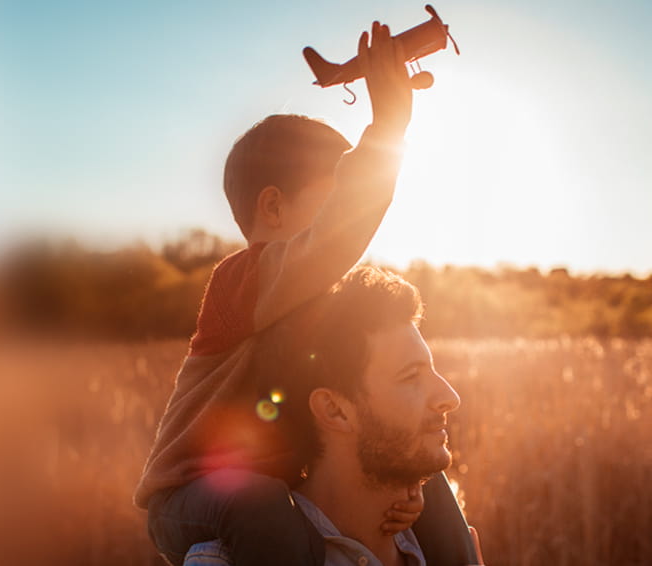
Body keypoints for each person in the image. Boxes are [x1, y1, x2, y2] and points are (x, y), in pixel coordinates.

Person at [135, 22, 471, 566]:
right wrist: (387, 128)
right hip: (191, 496)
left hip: (271, 483)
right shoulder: (241, 283)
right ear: (272, 208)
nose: (343, 223)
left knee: (424, 474)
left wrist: (402, 487)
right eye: (333, 194)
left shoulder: (317, 306)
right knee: (259, 504)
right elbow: (332, 242)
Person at [264, 266, 481, 566]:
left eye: (432, 371)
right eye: (410, 377)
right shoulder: (227, 560)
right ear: (335, 410)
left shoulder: (446, 545)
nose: (450, 398)